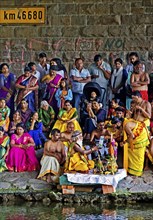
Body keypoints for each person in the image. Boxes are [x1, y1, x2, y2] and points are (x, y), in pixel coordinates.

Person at [124, 91, 151, 176]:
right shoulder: (135, 104)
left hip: (141, 125)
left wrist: (141, 109)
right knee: (125, 123)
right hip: (135, 123)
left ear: (139, 97)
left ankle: (137, 171)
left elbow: (149, 116)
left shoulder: (147, 104)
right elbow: (133, 116)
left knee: (139, 153)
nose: (134, 100)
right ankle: (130, 169)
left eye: (134, 98)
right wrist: (130, 113)